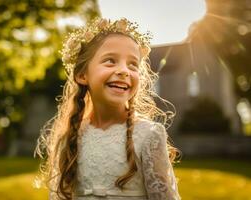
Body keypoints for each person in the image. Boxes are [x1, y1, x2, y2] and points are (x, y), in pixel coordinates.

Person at [34, 17, 181, 200]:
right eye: (110, 61)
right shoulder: (70, 137)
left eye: (132, 64)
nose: (124, 70)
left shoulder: (148, 135)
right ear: (82, 75)